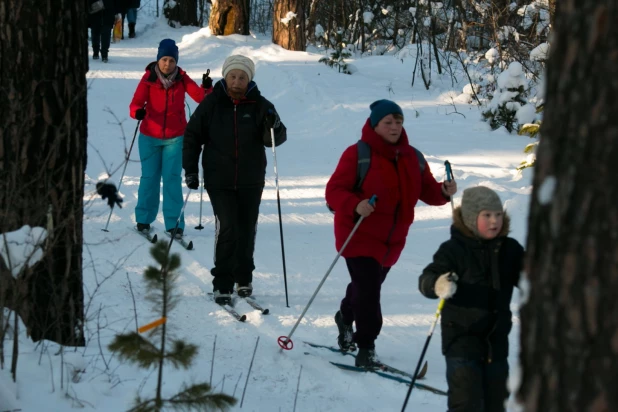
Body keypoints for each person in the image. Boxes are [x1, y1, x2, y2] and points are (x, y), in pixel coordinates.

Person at [325, 99, 457, 368]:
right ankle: (367, 348)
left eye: (399, 121)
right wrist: (356, 205)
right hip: (358, 233)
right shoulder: (358, 154)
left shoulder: (413, 157)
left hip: (392, 241)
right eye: (388, 122)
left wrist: (444, 192)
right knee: (370, 291)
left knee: (365, 288)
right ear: (375, 125)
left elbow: (428, 191)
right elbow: (334, 192)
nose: (395, 127)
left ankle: (345, 315)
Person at [183, 55, 287, 304]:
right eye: (233, 76)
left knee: (247, 227)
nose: (237, 81)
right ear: (225, 77)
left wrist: (274, 125)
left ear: (249, 79)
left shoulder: (262, 105)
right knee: (228, 226)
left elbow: (274, 139)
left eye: (242, 77)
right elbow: (192, 136)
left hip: (251, 179)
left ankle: (244, 278)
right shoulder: (211, 104)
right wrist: (191, 170)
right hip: (219, 179)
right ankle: (222, 282)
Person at [418, 186, 524, 412]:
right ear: (470, 217)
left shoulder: (509, 249)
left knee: (496, 403)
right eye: (486, 215)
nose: (494, 220)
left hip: (496, 344)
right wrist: (437, 284)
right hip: (461, 342)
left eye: (497, 214)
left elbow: (528, 275)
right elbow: (427, 278)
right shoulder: (453, 250)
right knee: (466, 403)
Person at [129, 39, 213, 238]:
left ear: (176, 62)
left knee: (172, 180)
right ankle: (143, 220)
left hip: (175, 138)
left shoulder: (182, 79)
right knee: (149, 178)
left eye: (172, 60)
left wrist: (207, 87)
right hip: (149, 137)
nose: (168, 64)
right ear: (158, 60)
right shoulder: (148, 78)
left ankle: (174, 223)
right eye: (164, 60)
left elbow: (201, 97)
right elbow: (136, 103)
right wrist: (137, 112)